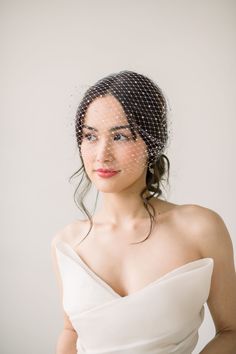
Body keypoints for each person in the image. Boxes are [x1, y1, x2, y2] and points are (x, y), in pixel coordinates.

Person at [51, 70, 236, 354]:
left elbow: (231, 330)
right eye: (90, 136)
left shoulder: (200, 227)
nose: (102, 154)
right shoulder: (67, 242)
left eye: (121, 136)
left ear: (152, 142)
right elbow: (71, 331)